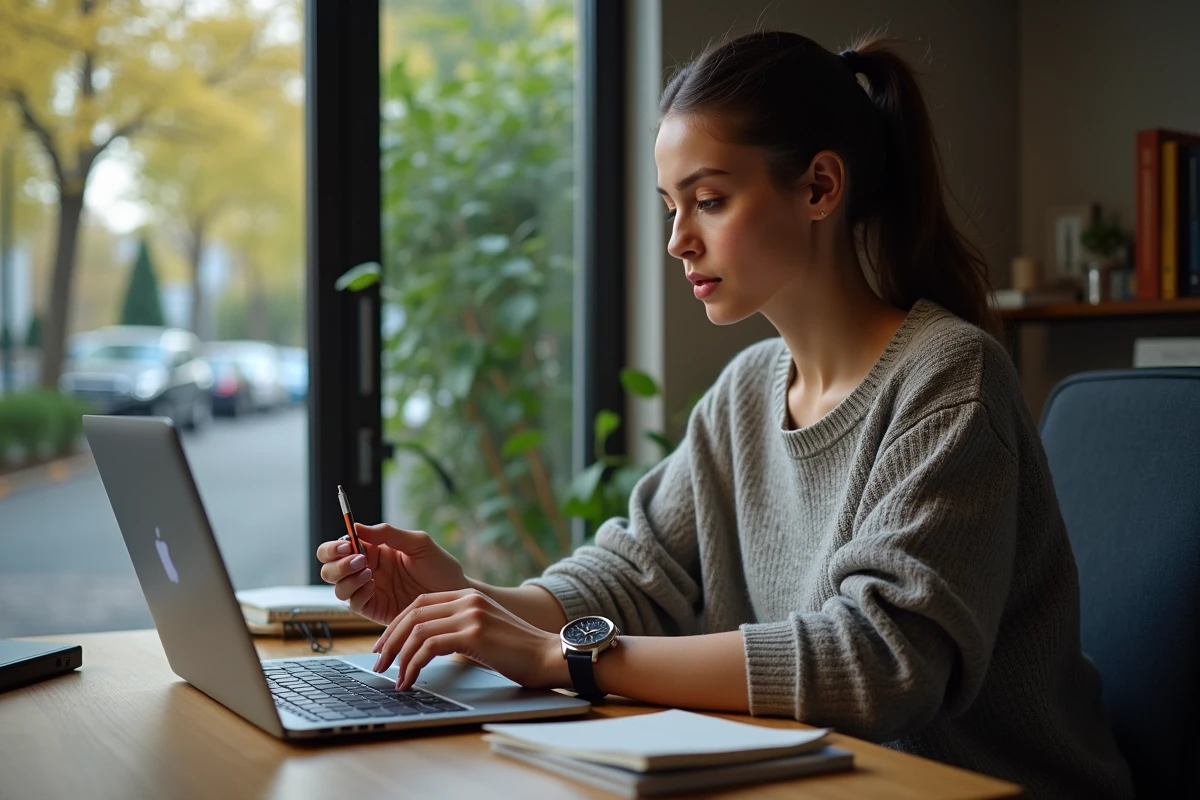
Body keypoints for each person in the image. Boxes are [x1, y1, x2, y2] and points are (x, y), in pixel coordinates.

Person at [317, 31, 1133, 799]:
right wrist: (470, 601)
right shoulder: (748, 390)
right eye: (672, 205)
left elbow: (879, 662)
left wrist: (562, 659)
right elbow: (636, 577)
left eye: (707, 200)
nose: (678, 240)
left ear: (819, 186)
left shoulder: (949, 379)